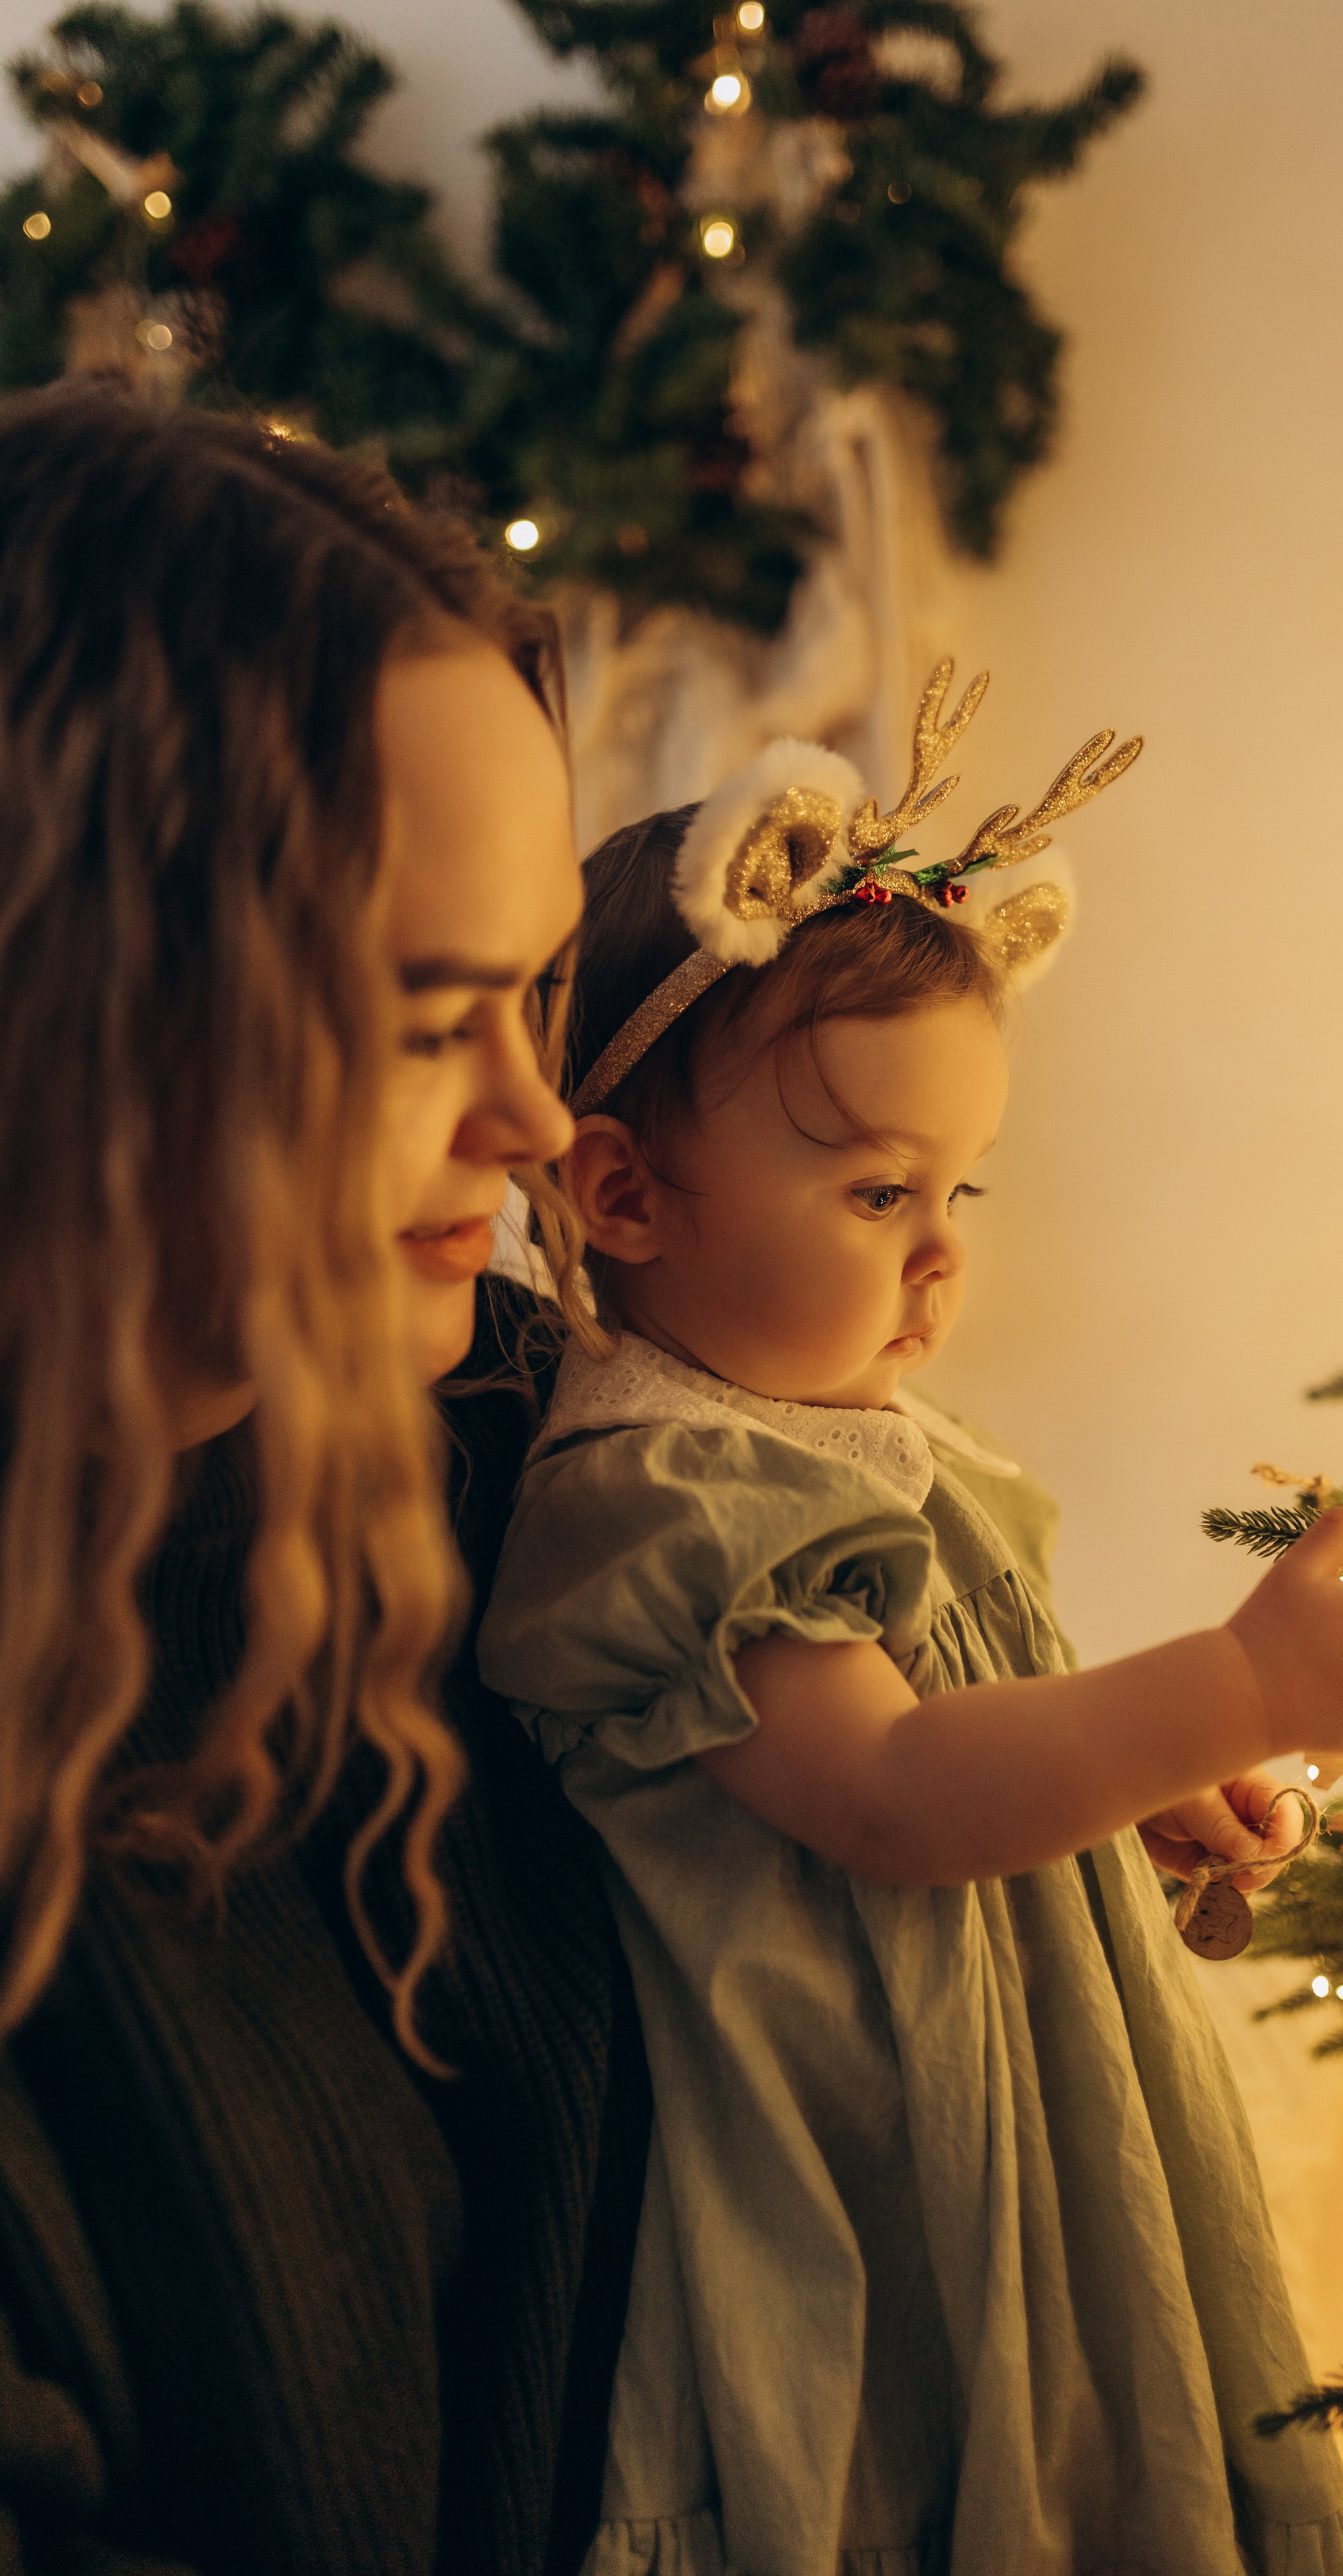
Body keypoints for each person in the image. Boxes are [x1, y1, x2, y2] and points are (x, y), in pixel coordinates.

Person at [478, 699, 1343, 2576]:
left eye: (961, 1190)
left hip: (1019, 2124)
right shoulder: (661, 1492)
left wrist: (1129, 1792)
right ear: (622, 1194)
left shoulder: (881, 1441)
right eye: (879, 1192)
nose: (941, 1252)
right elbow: (893, 1791)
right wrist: (1239, 1688)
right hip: (869, 2216)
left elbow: (968, 1731)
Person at [0, 382, 647, 2576]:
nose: (537, 1123)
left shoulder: (528, 1468)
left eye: (537, 994)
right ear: (80, 1010)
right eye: (422, 1015)